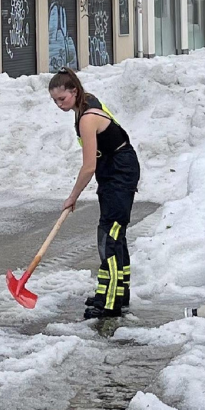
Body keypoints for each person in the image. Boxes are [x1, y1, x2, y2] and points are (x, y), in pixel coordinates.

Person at [49, 70, 141, 321]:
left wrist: (72, 197)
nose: (59, 105)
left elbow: (88, 166)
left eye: (62, 99)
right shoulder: (86, 102)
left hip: (119, 171)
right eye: (55, 101)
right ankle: (117, 294)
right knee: (114, 233)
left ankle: (110, 303)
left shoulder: (87, 118)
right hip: (116, 168)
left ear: (74, 92)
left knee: (109, 236)